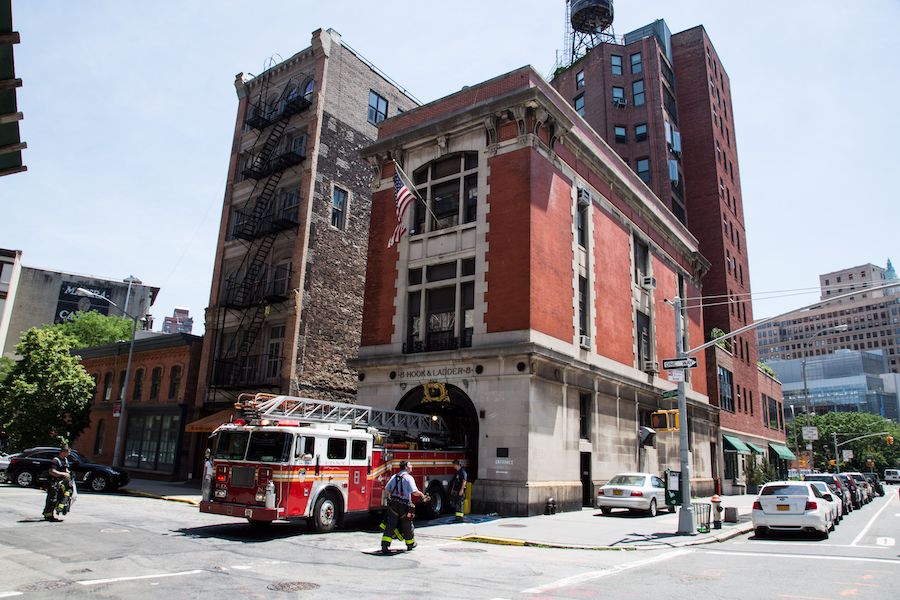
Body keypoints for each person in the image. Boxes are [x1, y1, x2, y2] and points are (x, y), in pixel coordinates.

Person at [380, 461, 429, 554]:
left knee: (390, 525)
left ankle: (385, 545)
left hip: (393, 505)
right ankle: (410, 544)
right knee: (407, 525)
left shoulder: (394, 477)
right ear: (406, 467)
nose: (412, 466)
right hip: (404, 505)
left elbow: (387, 489)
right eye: (410, 465)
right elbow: (414, 492)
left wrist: (392, 498)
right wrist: (422, 495)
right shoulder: (409, 478)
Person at [43, 445, 71, 522]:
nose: (69, 454)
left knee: (63, 497)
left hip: (62, 483)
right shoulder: (55, 461)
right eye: (68, 452)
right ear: (63, 452)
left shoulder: (65, 460)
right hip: (53, 483)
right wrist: (63, 474)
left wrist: (68, 473)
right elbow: (52, 472)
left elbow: (66, 469)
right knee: (52, 499)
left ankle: (55, 511)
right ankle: (48, 515)